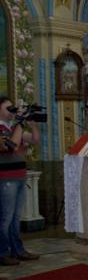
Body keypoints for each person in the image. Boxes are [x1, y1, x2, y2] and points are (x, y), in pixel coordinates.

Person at [0, 97, 40, 266]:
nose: (12, 111)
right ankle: (3, 252)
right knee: (5, 218)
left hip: (19, 175)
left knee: (16, 218)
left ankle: (18, 250)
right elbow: (12, 145)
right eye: (9, 108)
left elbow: (35, 140)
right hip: (5, 178)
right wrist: (20, 122)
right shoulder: (2, 128)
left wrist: (32, 124)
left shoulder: (13, 127)